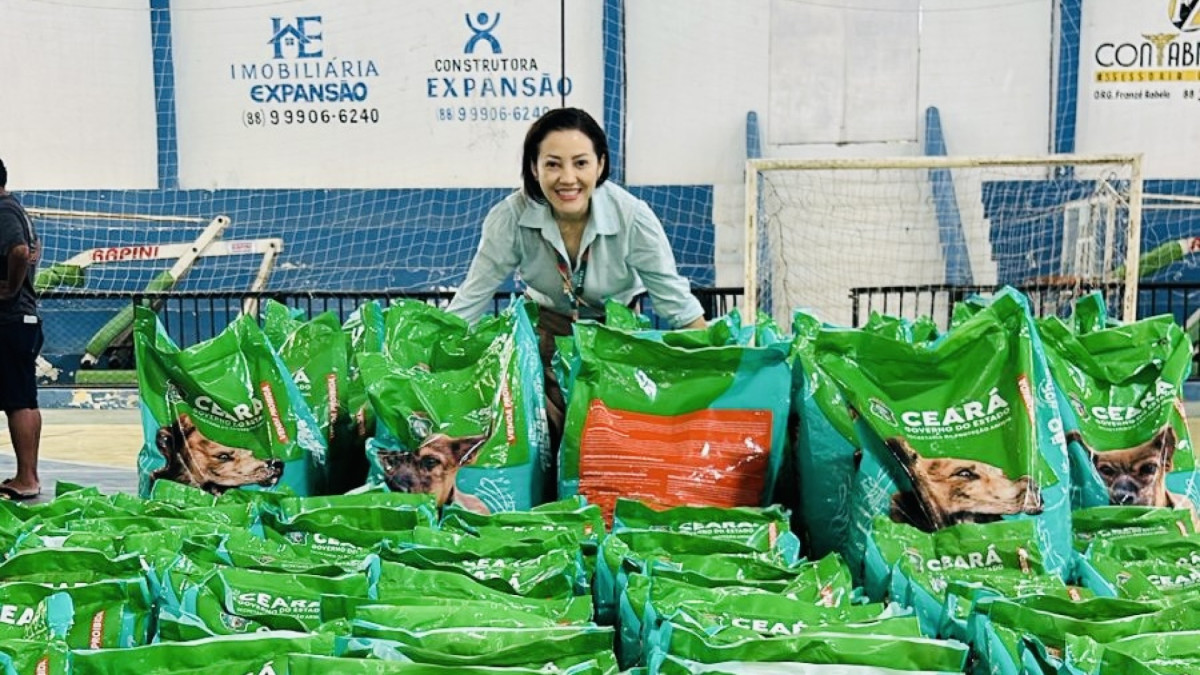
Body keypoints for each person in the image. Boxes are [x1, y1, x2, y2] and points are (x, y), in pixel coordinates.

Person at [447, 107, 707, 464]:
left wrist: (716, 365)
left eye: (580, 163)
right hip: (545, 331)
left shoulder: (632, 217)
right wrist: (430, 357)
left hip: (614, 334)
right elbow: (472, 297)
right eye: (553, 164)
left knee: (609, 437)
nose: (567, 178)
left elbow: (676, 302)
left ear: (600, 165)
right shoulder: (510, 217)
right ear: (534, 167)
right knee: (535, 426)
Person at [0, 157, 43, 500]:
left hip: (10, 320)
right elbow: (32, 250)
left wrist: (11, 287)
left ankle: (27, 478)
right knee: (21, 397)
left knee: (19, 400)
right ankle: (26, 475)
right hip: (19, 320)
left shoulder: (4, 211)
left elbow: (19, 251)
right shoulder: (17, 210)